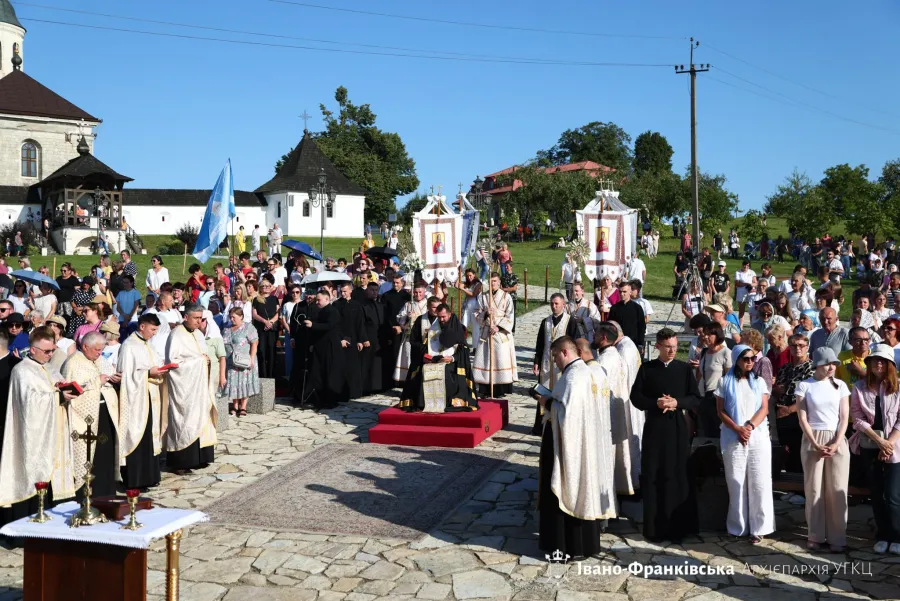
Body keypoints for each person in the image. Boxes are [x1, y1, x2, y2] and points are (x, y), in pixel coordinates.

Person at [537, 336, 616, 557]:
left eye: (555, 356)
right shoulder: (584, 372)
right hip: (582, 442)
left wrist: (546, 402)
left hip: (568, 446)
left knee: (565, 490)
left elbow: (567, 414)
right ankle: (584, 545)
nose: (555, 362)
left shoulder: (573, 377)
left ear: (564, 352)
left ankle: (563, 546)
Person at [0, 327, 79, 520]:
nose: (51, 354)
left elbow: (56, 388)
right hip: (34, 436)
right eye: (47, 351)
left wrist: (66, 388)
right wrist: (57, 396)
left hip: (56, 431)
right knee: (35, 475)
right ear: (32, 349)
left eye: (53, 350)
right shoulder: (22, 370)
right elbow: (29, 402)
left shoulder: (50, 368)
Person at [630, 328, 701, 542]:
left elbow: (695, 398)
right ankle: (655, 527)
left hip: (677, 427)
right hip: (654, 427)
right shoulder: (647, 369)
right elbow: (636, 397)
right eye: (668, 347)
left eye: (675, 347)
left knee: (676, 473)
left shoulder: (683, 369)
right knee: (654, 473)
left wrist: (677, 402)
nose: (672, 351)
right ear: (658, 346)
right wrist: (656, 403)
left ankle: (678, 527)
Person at [715, 344, 775, 544]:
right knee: (737, 481)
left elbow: (764, 408)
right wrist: (737, 429)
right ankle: (738, 526)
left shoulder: (759, 382)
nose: (750, 362)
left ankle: (760, 527)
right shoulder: (724, 382)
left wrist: (749, 426)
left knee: (759, 481)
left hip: (757, 435)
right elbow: (721, 411)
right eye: (745, 358)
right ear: (737, 359)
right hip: (733, 435)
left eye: (752, 359)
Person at [796, 347, 851, 552]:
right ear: (817, 364)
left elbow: (844, 417)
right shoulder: (805, 386)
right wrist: (815, 443)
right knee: (814, 489)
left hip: (836, 438)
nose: (831, 367)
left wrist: (836, 443)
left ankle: (838, 537)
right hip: (814, 439)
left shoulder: (841, 386)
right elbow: (802, 417)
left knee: (837, 489)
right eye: (827, 363)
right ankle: (815, 535)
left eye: (833, 363)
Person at [850, 345, 900, 554]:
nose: (878, 363)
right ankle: (883, 533)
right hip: (870, 445)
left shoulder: (897, 387)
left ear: (889, 364)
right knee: (877, 493)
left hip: (894, 446)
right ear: (869, 363)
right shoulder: (859, 387)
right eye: (874, 360)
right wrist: (878, 441)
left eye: (882, 360)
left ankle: (897, 535)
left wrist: (888, 443)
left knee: (893, 494)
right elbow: (857, 418)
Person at [61, 331, 120, 499]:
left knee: (105, 455)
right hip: (84, 420)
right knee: (88, 457)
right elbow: (70, 391)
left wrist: (114, 379)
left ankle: (107, 493)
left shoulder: (99, 360)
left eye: (101, 350)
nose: (100, 354)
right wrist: (97, 382)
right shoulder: (73, 363)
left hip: (104, 414)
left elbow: (106, 377)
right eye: (97, 350)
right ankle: (86, 497)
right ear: (85, 346)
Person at [164, 304, 217, 474]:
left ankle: (201, 458)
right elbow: (173, 363)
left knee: (202, 418)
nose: (199, 321)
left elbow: (202, 355)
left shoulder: (198, 334)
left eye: (201, 318)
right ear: (185, 317)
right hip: (184, 388)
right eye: (195, 318)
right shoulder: (176, 335)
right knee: (184, 422)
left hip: (199, 387)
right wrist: (199, 362)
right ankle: (181, 462)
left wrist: (206, 361)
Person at [398, 303, 477, 412]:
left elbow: (463, 351)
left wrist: (452, 358)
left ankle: (449, 402)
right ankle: (423, 403)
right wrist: (426, 357)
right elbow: (426, 346)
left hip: (452, 362)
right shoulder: (433, 329)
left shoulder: (459, 328)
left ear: (449, 314)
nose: (441, 319)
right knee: (423, 370)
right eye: (439, 317)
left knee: (446, 370)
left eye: (444, 316)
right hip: (433, 360)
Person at [594, 322, 640, 495]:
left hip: (620, 401)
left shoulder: (616, 353)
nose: (594, 336)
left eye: (597, 333)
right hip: (624, 400)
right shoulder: (623, 346)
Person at [532, 294, 578, 434]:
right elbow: (540, 343)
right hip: (546, 363)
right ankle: (541, 425)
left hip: (561, 365)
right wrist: (536, 361)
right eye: (552, 303)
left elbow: (574, 343)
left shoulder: (570, 321)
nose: (554, 306)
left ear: (563, 304)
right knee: (543, 390)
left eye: (557, 303)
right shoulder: (545, 322)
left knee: (559, 391)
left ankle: (558, 422)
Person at [773, 333, 816, 480]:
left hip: (800, 416)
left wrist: (790, 409)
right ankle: (790, 488)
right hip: (782, 415)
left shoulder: (811, 368)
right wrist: (776, 390)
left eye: (801, 345)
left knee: (799, 452)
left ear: (807, 347)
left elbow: (811, 396)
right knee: (786, 452)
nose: (797, 348)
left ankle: (799, 489)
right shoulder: (785, 368)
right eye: (794, 345)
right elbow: (777, 389)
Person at [473, 273, 518, 397]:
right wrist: (486, 314)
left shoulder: (506, 297)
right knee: (486, 360)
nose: (492, 283)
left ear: (499, 282)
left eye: (495, 281)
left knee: (501, 360)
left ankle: (500, 389)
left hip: (500, 333)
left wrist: (498, 327)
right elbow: (476, 313)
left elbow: (510, 316)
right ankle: (485, 388)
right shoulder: (483, 297)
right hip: (486, 333)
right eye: (490, 281)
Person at [302, 290, 343, 408]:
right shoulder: (318, 311)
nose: (317, 302)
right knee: (317, 373)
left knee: (329, 373)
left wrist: (313, 325)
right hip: (319, 346)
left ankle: (330, 400)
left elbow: (329, 326)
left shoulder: (332, 311)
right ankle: (317, 399)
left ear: (327, 299)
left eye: (319, 300)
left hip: (330, 347)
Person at [393, 281, 428, 384]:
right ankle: (407, 381)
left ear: (424, 292)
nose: (418, 294)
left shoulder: (428, 304)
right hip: (409, 335)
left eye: (420, 292)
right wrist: (407, 317)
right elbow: (399, 317)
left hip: (423, 336)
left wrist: (416, 316)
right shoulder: (408, 304)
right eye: (416, 292)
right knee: (408, 356)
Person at [334, 281, 365, 401]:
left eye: (345, 291)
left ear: (350, 291)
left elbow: (360, 324)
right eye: (341, 291)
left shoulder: (356, 305)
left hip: (354, 338)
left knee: (353, 367)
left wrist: (360, 340)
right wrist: (341, 338)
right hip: (340, 339)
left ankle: (354, 392)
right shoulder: (336, 304)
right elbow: (335, 324)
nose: (343, 293)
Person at [359, 282, 389, 395]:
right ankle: (368, 387)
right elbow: (361, 324)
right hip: (369, 338)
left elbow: (385, 322)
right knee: (369, 363)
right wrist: (364, 338)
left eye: (376, 290)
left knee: (379, 363)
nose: (374, 292)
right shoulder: (363, 306)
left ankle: (379, 386)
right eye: (372, 290)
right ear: (367, 291)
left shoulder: (382, 306)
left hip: (380, 338)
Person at [251, 278, 280, 379]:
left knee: (272, 351)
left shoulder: (274, 299)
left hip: (272, 328)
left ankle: (272, 375)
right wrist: (265, 321)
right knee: (262, 351)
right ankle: (263, 376)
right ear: (260, 288)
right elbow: (254, 314)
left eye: (268, 286)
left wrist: (271, 322)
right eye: (264, 286)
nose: (266, 288)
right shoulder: (256, 299)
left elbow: (278, 313)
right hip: (261, 328)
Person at [608, 281, 645, 349]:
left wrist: (640, 343)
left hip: (633, 343)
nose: (622, 294)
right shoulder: (614, 308)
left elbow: (641, 327)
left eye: (624, 292)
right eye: (620, 292)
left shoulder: (637, 308)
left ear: (630, 292)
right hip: (618, 344)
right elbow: (610, 327)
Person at [735, 260, 758, 325]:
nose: (746, 266)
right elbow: (737, 283)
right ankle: (740, 326)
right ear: (742, 265)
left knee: (752, 309)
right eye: (744, 265)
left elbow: (755, 282)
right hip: (741, 292)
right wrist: (746, 284)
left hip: (750, 292)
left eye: (747, 265)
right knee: (741, 310)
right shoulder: (738, 272)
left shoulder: (752, 272)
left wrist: (750, 285)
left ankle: (753, 324)